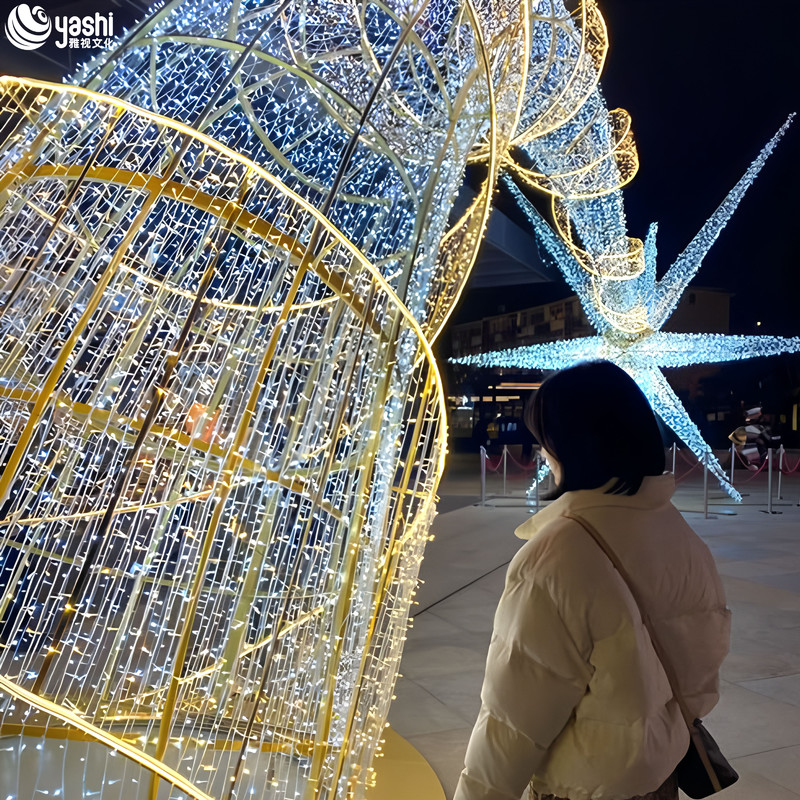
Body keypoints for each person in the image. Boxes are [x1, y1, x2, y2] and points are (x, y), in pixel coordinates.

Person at [454, 360, 730, 800]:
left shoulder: (558, 557)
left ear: (570, 446)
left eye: (546, 440)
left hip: (587, 787)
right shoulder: (675, 529)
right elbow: (704, 658)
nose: (543, 453)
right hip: (662, 777)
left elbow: (513, 720)